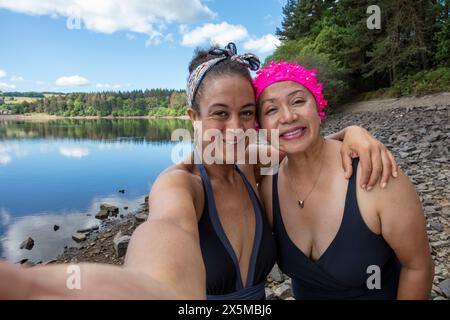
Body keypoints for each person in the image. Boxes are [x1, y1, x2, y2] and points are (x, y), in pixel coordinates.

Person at [0, 44, 398, 300]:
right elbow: (164, 241)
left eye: (247, 114)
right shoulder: (180, 185)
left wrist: (354, 135)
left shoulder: (253, 162)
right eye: (219, 115)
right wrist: (147, 290)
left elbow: (304, 142)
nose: (237, 129)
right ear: (193, 118)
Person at [256, 61, 434, 300]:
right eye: (271, 110)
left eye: (298, 101)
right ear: (261, 125)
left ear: (318, 106)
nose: (288, 116)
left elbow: (418, 267)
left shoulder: (373, 172)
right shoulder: (268, 187)